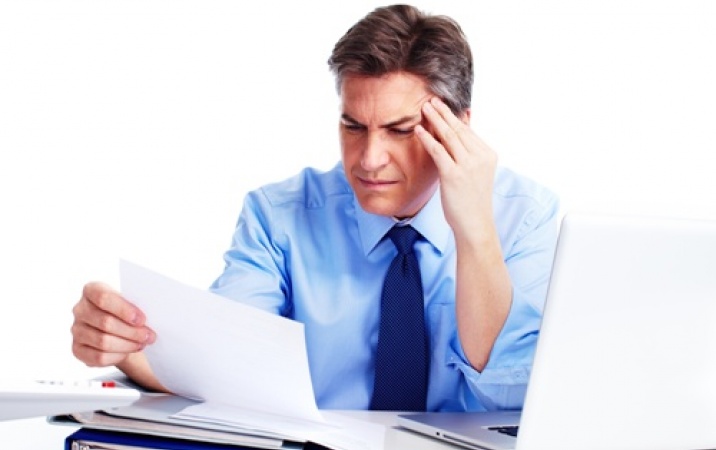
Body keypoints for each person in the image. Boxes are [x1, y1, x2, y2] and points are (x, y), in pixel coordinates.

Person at [71, 4, 559, 412]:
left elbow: (510, 390)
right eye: (353, 126)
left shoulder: (525, 218)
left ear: (459, 127)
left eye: (400, 130)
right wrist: (124, 347)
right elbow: (227, 367)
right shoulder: (279, 217)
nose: (369, 159)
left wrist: (474, 231)